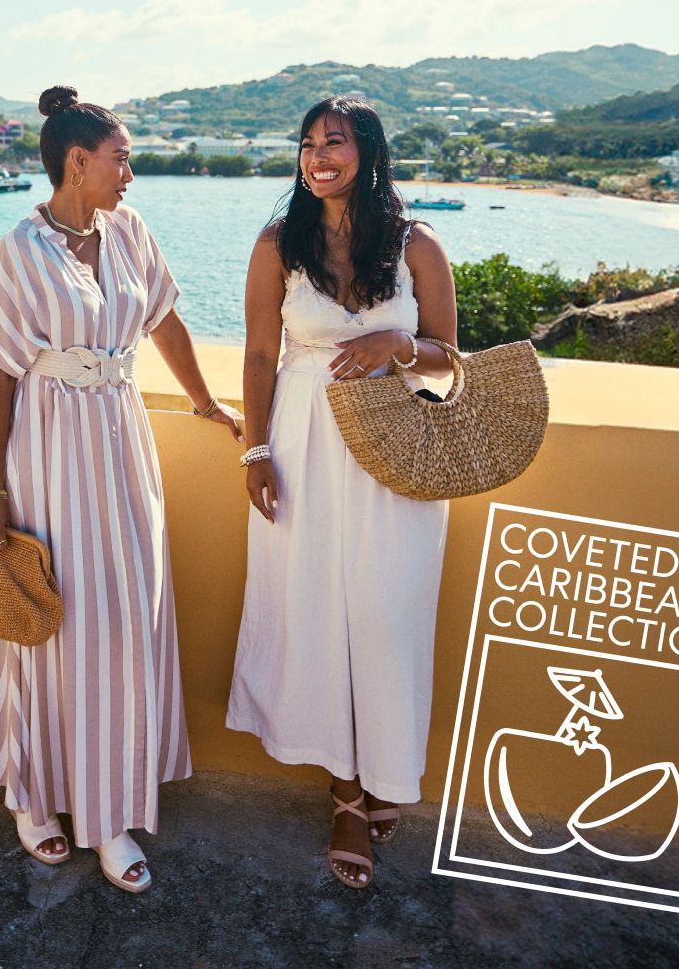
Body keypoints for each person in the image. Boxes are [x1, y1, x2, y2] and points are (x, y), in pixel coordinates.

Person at [0, 84, 242, 894]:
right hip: (43, 452)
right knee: (41, 617)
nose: (130, 174)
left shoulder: (130, 232)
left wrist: (205, 401)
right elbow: (0, 376)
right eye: (121, 159)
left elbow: (165, 321)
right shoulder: (21, 248)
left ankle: (107, 815)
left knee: (118, 623)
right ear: (78, 162)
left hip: (118, 444)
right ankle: (31, 800)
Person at [225, 95, 457, 889]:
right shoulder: (276, 244)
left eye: (336, 141)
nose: (319, 155)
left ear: (369, 151)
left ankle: (388, 764)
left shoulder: (416, 243)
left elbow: (448, 360)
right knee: (318, 609)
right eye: (307, 143)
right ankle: (348, 792)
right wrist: (256, 449)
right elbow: (259, 355)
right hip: (303, 444)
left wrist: (401, 343)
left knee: (388, 612)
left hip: (397, 452)